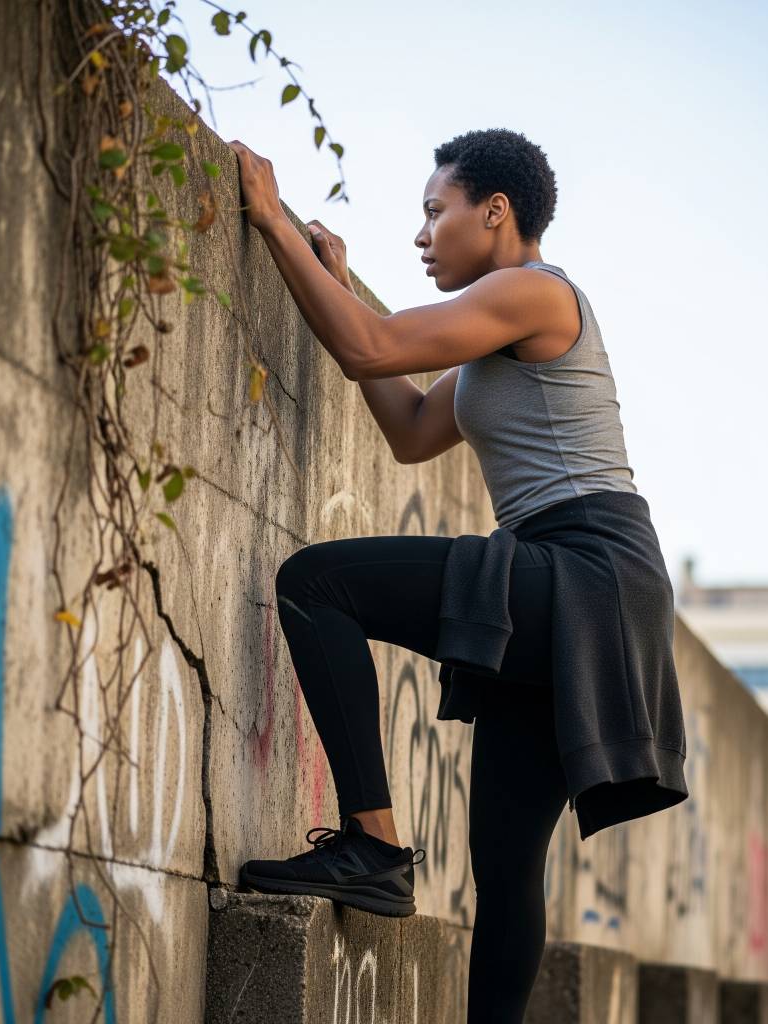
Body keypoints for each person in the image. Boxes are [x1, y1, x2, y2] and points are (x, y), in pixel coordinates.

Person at [229, 128, 683, 1023]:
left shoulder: (530, 290)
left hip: (584, 563)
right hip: (590, 581)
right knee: (506, 859)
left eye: (437, 212)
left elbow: (369, 344)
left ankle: (372, 844)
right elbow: (405, 429)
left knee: (317, 584)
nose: (424, 234)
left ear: (496, 212)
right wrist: (327, 272)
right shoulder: (493, 337)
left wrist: (273, 224)